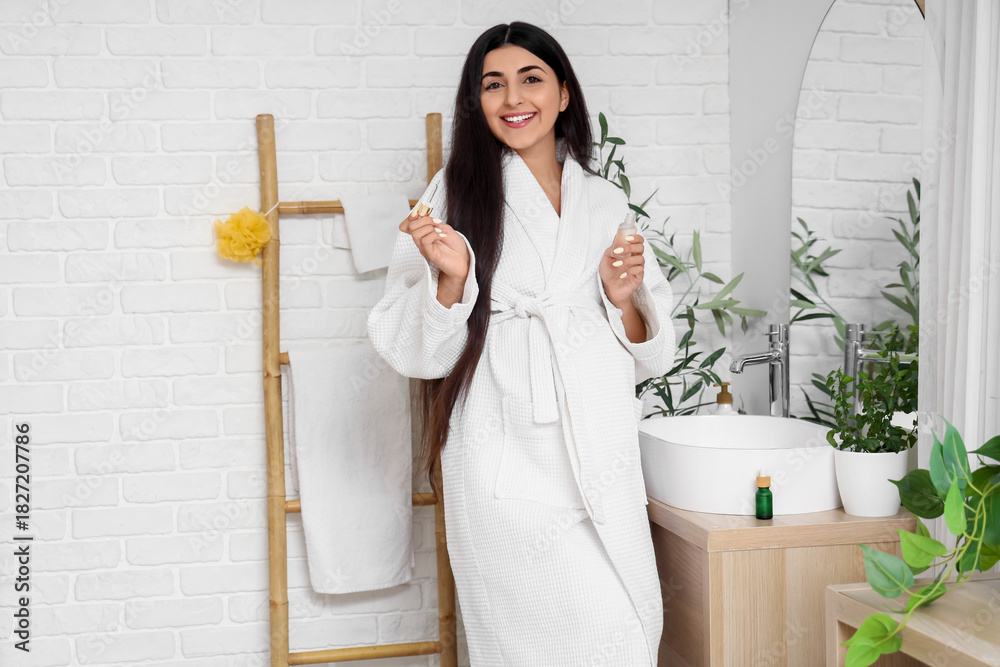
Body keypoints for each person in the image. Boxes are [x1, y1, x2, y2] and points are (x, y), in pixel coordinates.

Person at [368, 21, 676, 666]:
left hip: (600, 453)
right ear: (476, 101)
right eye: (493, 84)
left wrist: (623, 299)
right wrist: (453, 281)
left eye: (530, 79)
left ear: (563, 93)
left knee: (622, 635)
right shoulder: (453, 193)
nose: (513, 98)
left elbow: (649, 355)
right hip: (503, 455)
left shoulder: (603, 200)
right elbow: (414, 350)